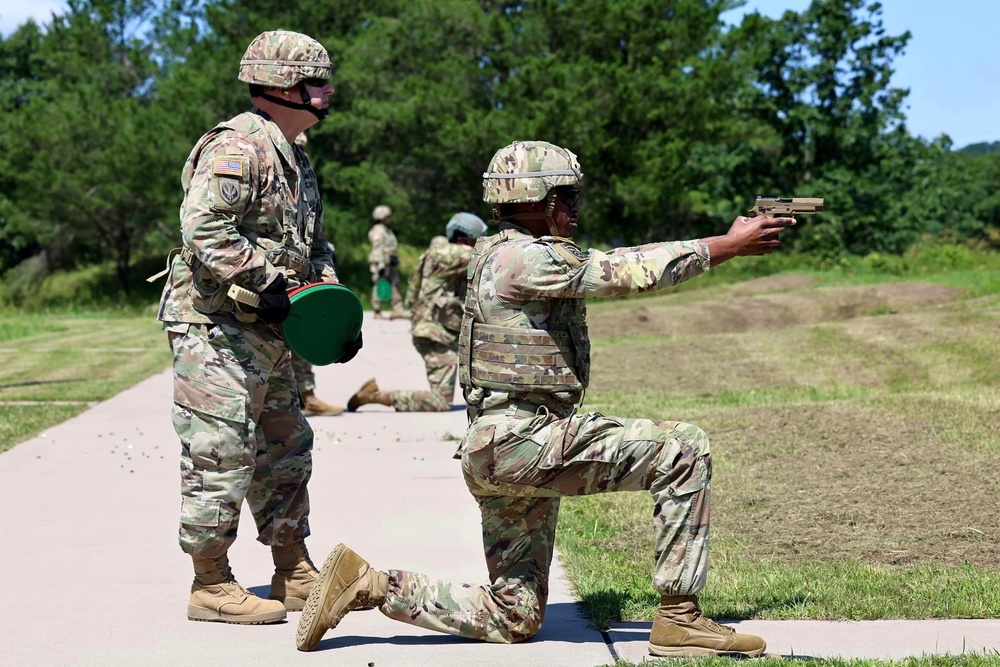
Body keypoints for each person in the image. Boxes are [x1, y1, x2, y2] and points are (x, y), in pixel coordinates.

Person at [295, 140, 795, 656]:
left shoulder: (494, 251)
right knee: (683, 449)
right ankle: (680, 619)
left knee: (516, 615)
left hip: (497, 448)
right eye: (566, 197)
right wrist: (726, 245)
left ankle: (370, 583)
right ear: (534, 197)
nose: (575, 209)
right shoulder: (525, 258)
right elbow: (625, 270)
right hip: (525, 441)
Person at [154, 30, 361, 625]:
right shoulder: (239, 147)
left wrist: (331, 308)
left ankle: (292, 567)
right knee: (220, 449)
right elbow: (204, 227)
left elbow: (313, 246)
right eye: (316, 81)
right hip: (216, 325)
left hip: (272, 331)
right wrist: (265, 279)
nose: (327, 91)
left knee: (286, 445)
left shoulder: (296, 159)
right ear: (280, 87)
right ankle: (210, 583)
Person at [347, 212, 487, 413]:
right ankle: (376, 396)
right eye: (475, 241)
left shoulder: (445, 255)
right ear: (463, 239)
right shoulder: (443, 254)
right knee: (440, 402)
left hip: (441, 331)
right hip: (434, 334)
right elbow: (487, 256)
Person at [288, 132, 345, 417]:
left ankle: (305, 395)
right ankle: (302, 396)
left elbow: (315, 237)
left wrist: (332, 297)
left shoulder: (304, 177)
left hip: (298, 277)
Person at [367, 204, 408, 319]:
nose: (390, 219)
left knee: (395, 284)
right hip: (382, 263)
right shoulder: (378, 231)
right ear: (382, 217)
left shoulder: (387, 231)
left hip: (390, 262)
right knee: (380, 285)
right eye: (388, 216)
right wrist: (380, 266)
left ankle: (398, 308)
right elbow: (377, 249)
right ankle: (377, 310)